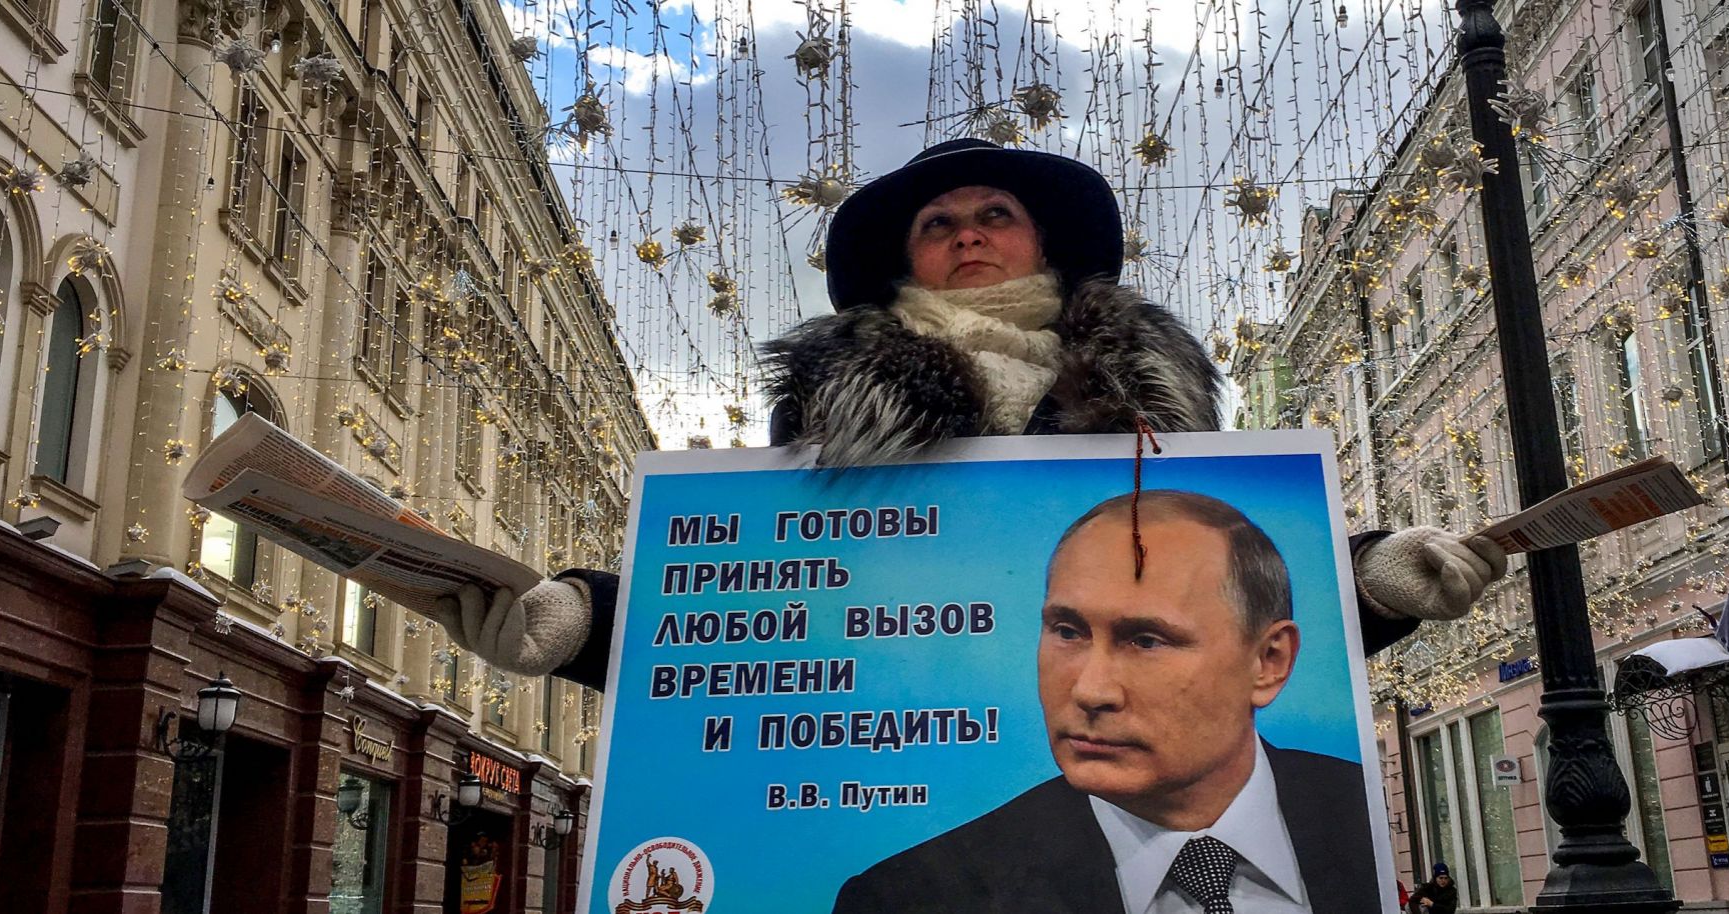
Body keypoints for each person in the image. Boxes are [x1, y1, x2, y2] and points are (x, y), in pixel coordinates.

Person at [435, 139, 1508, 692]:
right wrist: (580, 620)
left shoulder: (1152, 395)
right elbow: (768, 601)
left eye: (997, 213)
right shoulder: (832, 404)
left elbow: (1227, 606)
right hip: (901, 782)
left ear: (1042, 243)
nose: (968, 232)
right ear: (906, 258)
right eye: (939, 222)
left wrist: (1374, 581)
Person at [832, 490, 1384, 914]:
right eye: (1067, 631)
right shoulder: (915, 896)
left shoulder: (1368, 818)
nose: (1091, 690)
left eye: (1146, 640)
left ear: (1269, 662)